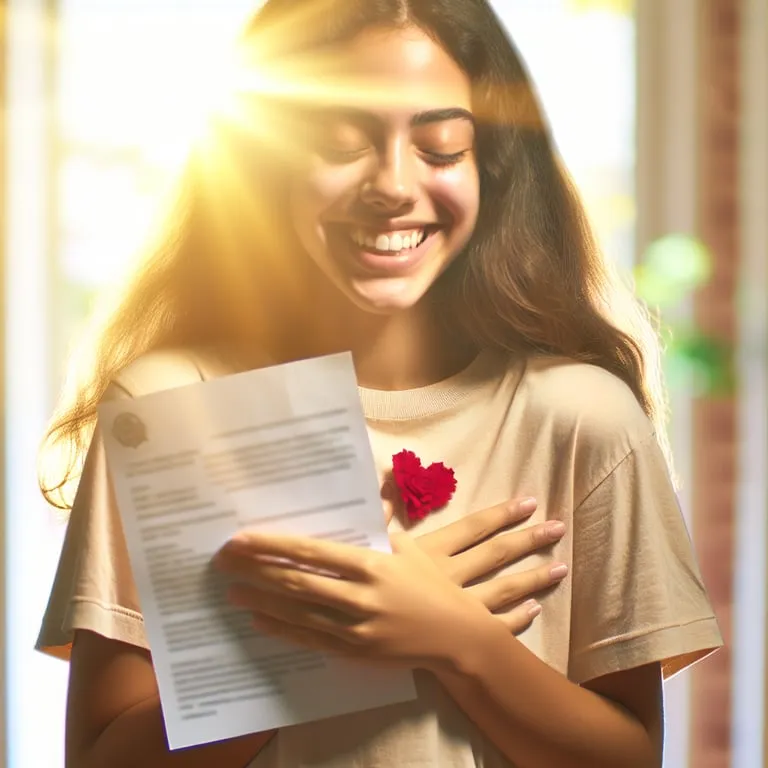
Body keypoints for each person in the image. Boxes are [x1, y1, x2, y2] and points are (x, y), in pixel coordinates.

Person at [36, 1, 723, 767]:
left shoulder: (582, 418)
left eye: (441, 146)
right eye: (339, 140)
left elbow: (631, 758)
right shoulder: (171, 406)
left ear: (491, 164)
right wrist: (344, 640)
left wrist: (456, 639)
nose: (394, 185)